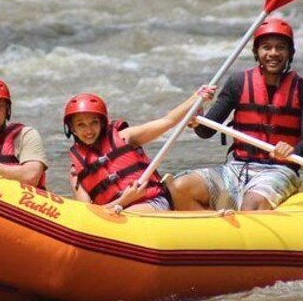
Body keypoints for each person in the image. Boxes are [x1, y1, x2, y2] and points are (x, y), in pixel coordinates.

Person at [170, 17, 303, 211]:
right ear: (257, 52)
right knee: (180, 187)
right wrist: (197, 120)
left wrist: (293, 151)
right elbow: (207, 131)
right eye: (266, 47)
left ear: (290, 53)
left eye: (280, 48)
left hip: (279, 170)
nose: (273, 53)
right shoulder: (238, 83)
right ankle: (213, 233)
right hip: (237, 168)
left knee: (251, 204)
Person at [64, 85, 216, 214]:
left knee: (122, 217)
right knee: (112, 218)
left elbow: (167, 121)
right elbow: (89, 214)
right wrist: (124, 200)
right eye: (81, 125)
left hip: (153, 202)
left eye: (94, 122)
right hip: (115, 212)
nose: (89, 130)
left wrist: (196, 97)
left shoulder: (125, 137)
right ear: (72, 129)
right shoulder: (75, 172)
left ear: (102, 123)